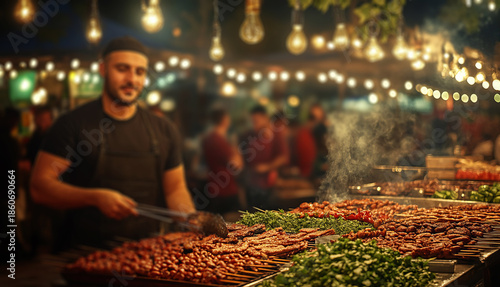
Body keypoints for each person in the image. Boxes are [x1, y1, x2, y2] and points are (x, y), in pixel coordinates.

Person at [30, 36, 196, 249]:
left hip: (148, 254)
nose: (132, 79)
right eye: (122, 69)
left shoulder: (163, 129)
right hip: (85, 254)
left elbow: (175, 190)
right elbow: (40, 187)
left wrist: (192, 222)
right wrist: (94, 197)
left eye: (140, 72)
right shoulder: (72, 125)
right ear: (102, 69)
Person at [239, 105, 288, 208]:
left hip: (268, 184)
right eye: (252, 121)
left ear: (265, 118)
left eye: (256, 121)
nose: (254, 124)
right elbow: (240, 155)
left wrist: (267, 167)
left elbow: (283, 157)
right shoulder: (248, 135)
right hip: (250, 184)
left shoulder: (275, 134)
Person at [201, 108, 243, 214]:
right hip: (225, 188)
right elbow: (237, 165)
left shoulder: (207, 138)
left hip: (213, 186)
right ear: (225, 120)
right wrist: (235, 148)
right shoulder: (219, 140)